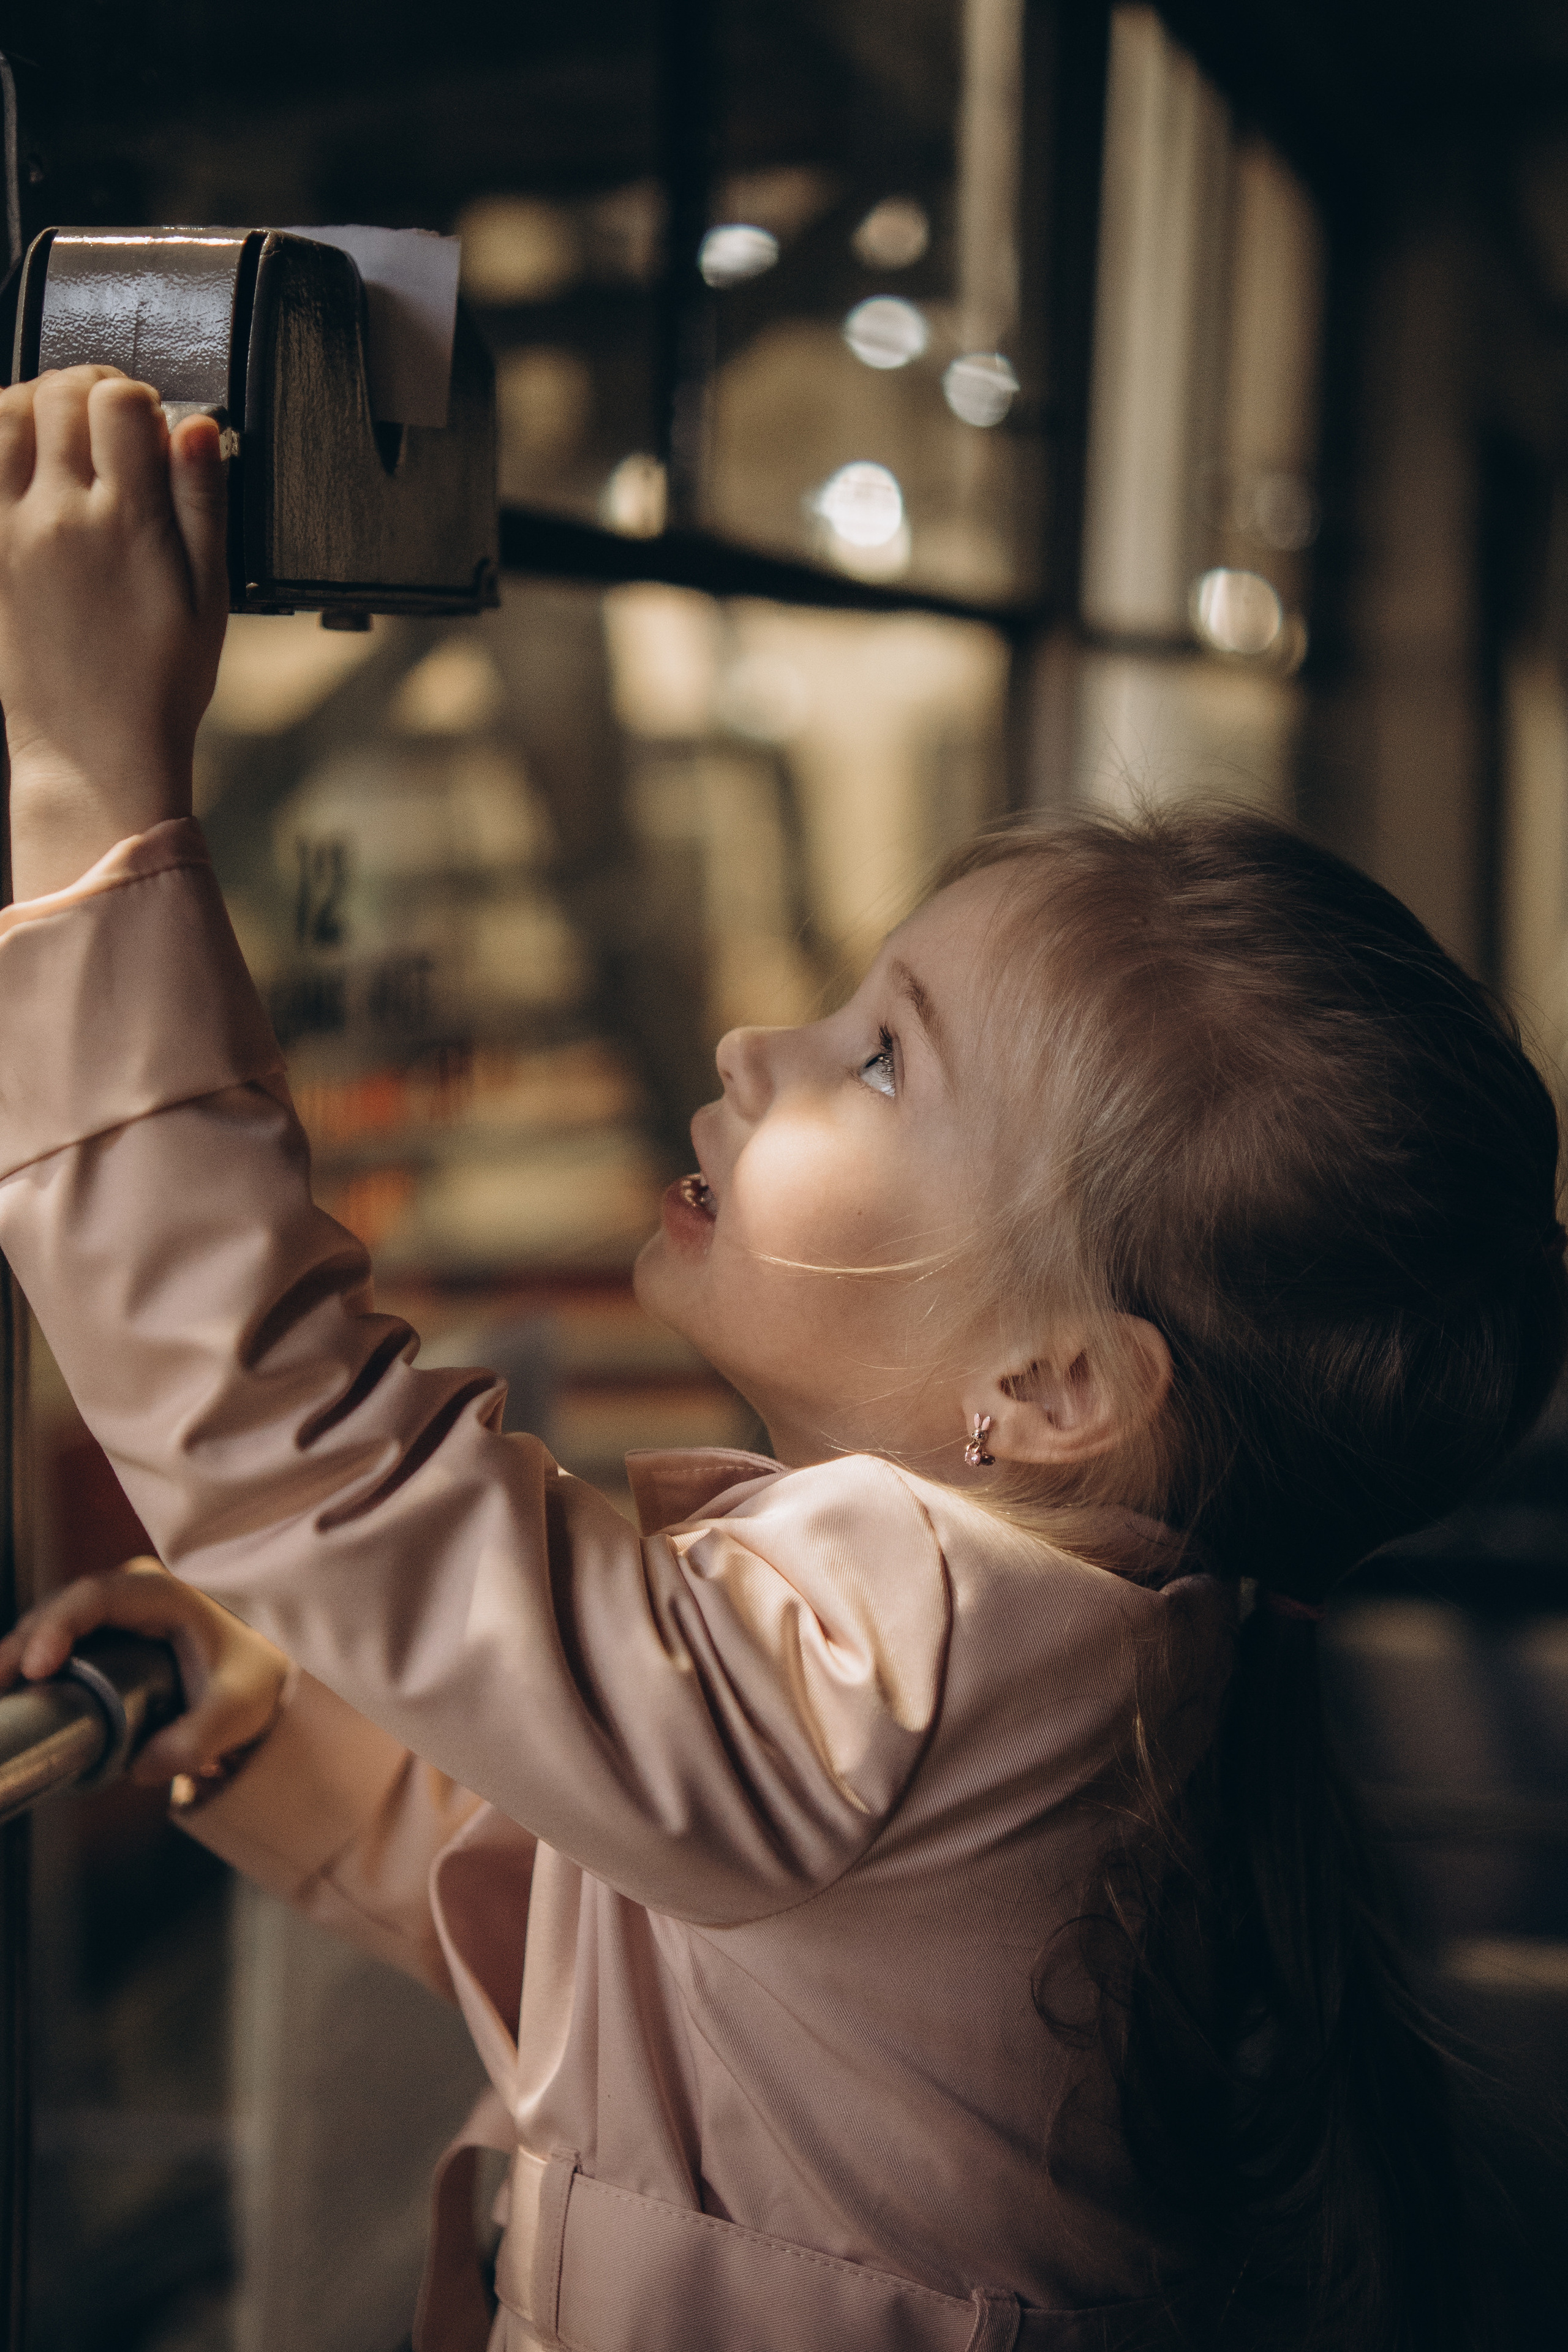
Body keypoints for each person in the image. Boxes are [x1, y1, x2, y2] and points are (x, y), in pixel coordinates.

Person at [0, 367, 1561, 2352]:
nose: (759, 1046)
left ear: (1062, 1389)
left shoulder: (902, 1636)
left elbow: (317, 1457)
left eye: (882, 1055)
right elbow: (635, 1938)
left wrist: (91, 795)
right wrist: (264, 1718)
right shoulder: (1094, 1663)